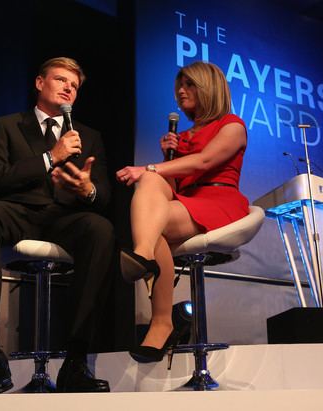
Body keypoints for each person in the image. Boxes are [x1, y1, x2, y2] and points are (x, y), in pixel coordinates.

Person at [0, 57, 114, 393]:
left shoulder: (88, 135)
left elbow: (103, 197)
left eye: (74, 85)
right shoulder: (8, 125)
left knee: (101, 228)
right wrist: (49, 158)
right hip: (18, 212)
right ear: (40, 83)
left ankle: (76, 360)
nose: (68, 87)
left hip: (64, 218)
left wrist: (87, 190)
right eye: (60, 79)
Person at [115, 61, 249, 363]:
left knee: (149, 179)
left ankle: (157, 307)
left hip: (218, 201)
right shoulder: (181, 137)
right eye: (179, 85)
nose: (180, 91)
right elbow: (173, 182)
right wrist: (164, 159)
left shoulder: (232, 125)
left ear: (208, 88)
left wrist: (149, 166)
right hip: (186, 201)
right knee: (152, 195)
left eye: (189, 84)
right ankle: (155, 295)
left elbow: (203, 164)